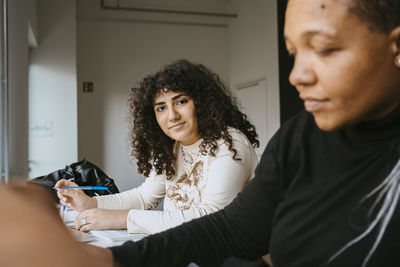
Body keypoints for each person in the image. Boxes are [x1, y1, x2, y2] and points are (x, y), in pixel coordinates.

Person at [1, 0, 399, 266]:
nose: (297, 75)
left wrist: (117, 223)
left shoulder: (230, 145)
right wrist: (93, 213)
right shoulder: (299, 139)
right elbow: (227, 227)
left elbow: (214, 217)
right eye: (294, 52)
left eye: (326, 49)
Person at [55, 59, 259, 235]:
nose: (172, 116)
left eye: (180, 102)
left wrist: (122, 219)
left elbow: (211, 216)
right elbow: (144, 197)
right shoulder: (172, 148)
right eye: (161, 108)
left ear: (202, 103)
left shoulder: (230, 142)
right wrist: (90, 203)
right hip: (182, 248)